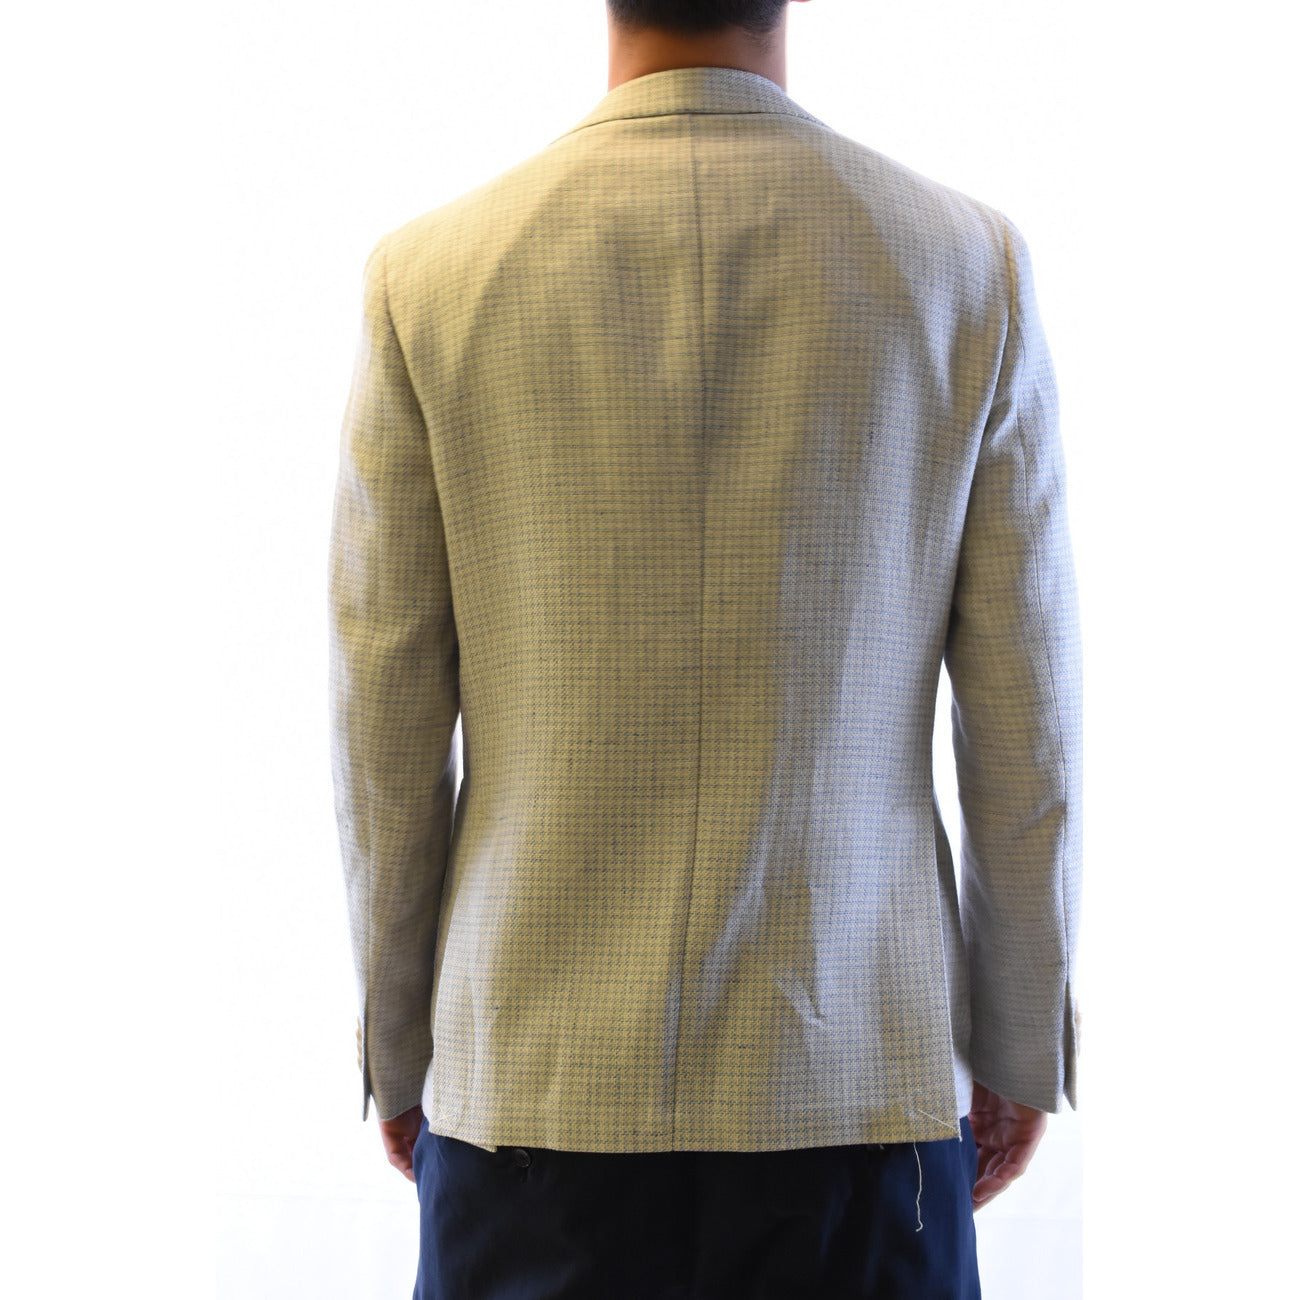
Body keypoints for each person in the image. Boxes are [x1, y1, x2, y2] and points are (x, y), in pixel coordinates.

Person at [327, 1, 1082, 1295]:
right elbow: (1029, 730)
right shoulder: (965, 268)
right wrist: (1016, 1045)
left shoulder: (430, 278)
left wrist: (400, 1054)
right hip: (854, 1098)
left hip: (533, 1105)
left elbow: (382, 734)